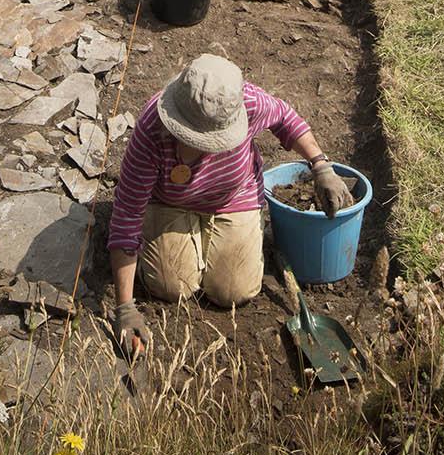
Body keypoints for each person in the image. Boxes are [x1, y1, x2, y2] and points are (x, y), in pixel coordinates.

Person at [108, 54, 352, 356]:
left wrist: (320, 165)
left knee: (234, 292)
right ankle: (187, 238)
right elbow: (126, 219)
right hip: (170, 202)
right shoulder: (151, 130)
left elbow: (286, 119)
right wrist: (125, 307)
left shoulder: (246, 102)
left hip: (234, 197)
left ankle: (210, 238)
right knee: (172, 288)